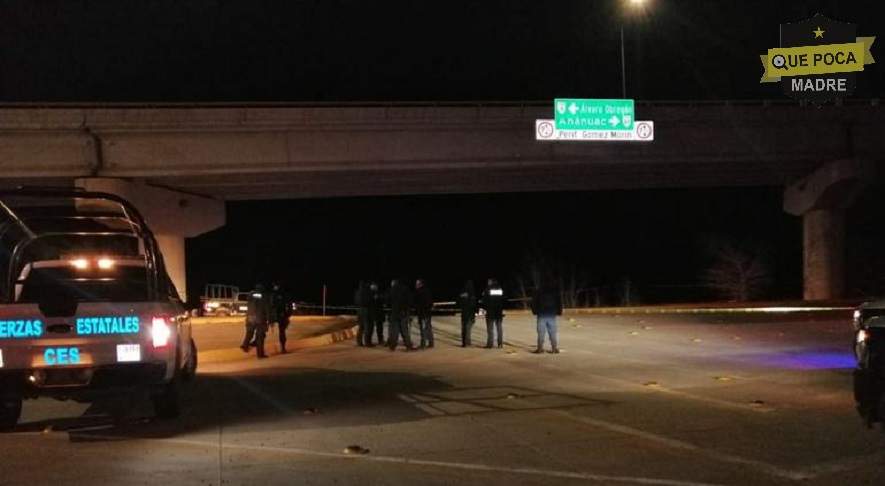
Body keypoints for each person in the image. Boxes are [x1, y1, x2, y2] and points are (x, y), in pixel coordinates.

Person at [531, 281, 563, 354]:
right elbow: (559, 301)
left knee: (541, 333)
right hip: (551, 314)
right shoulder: (554, 290)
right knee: (553, 333)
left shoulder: (538, 290)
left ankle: (539, 349)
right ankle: (554, 349)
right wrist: (559, 312)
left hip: (541, 314)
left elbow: (534, 302)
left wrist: (535, 311)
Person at [241, 283, 271, 358]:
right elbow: (267, 308)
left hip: (250, 316)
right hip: (260, 318)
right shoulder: (264, 296)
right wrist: (268, 319)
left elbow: (248, 303)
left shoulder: (250, 294)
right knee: (260, 336)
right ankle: (260, 354)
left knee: (249, 333)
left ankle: (245, 346)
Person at [386, 278, 415, 351]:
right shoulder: (405, 289)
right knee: (404, 330)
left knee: (395, 331)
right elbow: (410, 301)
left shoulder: (392, 290)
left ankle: (392, 346)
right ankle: (408, 346)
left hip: (394, 312)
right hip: (403, 313)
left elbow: (387, 299)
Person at [480, 278, 505, 348]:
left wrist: (484, 308)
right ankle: (500, 344)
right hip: (499, 311)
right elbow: (504, 299)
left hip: (490, 312)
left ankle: (490, 344)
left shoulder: (488, 289)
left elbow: (484, 300)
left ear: (491, 282)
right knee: (499, 328)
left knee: (490, 329)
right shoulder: (500, 289)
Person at [270, 282, 291, 353]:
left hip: (281, 315)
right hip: (278, 315)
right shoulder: (274, 294)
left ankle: (283, 348)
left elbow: (289, 305)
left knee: (282, 332)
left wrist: (288, 315)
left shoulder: (282, 295)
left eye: (275, 286)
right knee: (282, 331)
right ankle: (283, 348)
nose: (274, 287)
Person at [457, 280, 478, 347]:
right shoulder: (473, 294)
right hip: (471, 314)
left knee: (464, 328)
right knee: (468, 328)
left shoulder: (462, 293)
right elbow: (475, 304)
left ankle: (464, 342)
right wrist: (476, 310)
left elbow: (458, 302)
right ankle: (467, 342)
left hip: (464, 313)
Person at [414, 278, 434, 349]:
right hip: (428, 313)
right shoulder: (427, 290)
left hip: (423, 313)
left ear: (421, 284)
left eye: (417, 283)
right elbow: (431, 303)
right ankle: (431, 343)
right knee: (428, 328)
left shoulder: (420, 292)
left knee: (423, 328)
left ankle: (423, 344)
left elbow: (418, 303)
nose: (415, 285)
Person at [354, 280, 373, 347]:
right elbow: (370, 301)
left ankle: (359, 342)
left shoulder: (357, 292)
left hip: (359, 310)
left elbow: (356, 301)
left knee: (360, 327)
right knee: (367, 327)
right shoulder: (368, 292)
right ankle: (367, 342)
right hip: (366, 310)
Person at [368, 280, 385, 345]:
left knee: (380, 328)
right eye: (373, 286)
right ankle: (369, 341)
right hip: (371, 313)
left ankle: (380, 340)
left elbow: (383, 299)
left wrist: (379, 297)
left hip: (379, 313)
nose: (375, 287)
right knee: (370, 328)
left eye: (375, 286)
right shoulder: (368, 293)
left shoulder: (379, 293)